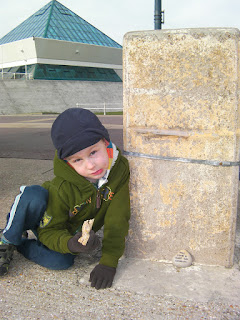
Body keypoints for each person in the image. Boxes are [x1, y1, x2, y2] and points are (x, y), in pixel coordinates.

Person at [0, 108, 130, 289]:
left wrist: (107, 261)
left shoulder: (119, 170)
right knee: (33, 195)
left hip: (62, 230)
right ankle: (7, 238)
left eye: (93, 152)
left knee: (61, 262)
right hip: (44, 214)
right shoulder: (63, 188)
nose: (91, 165)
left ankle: (21, 243)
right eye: (77, 160)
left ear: (105, 142)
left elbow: (118, 217)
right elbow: (48, 229)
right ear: (67, 162)